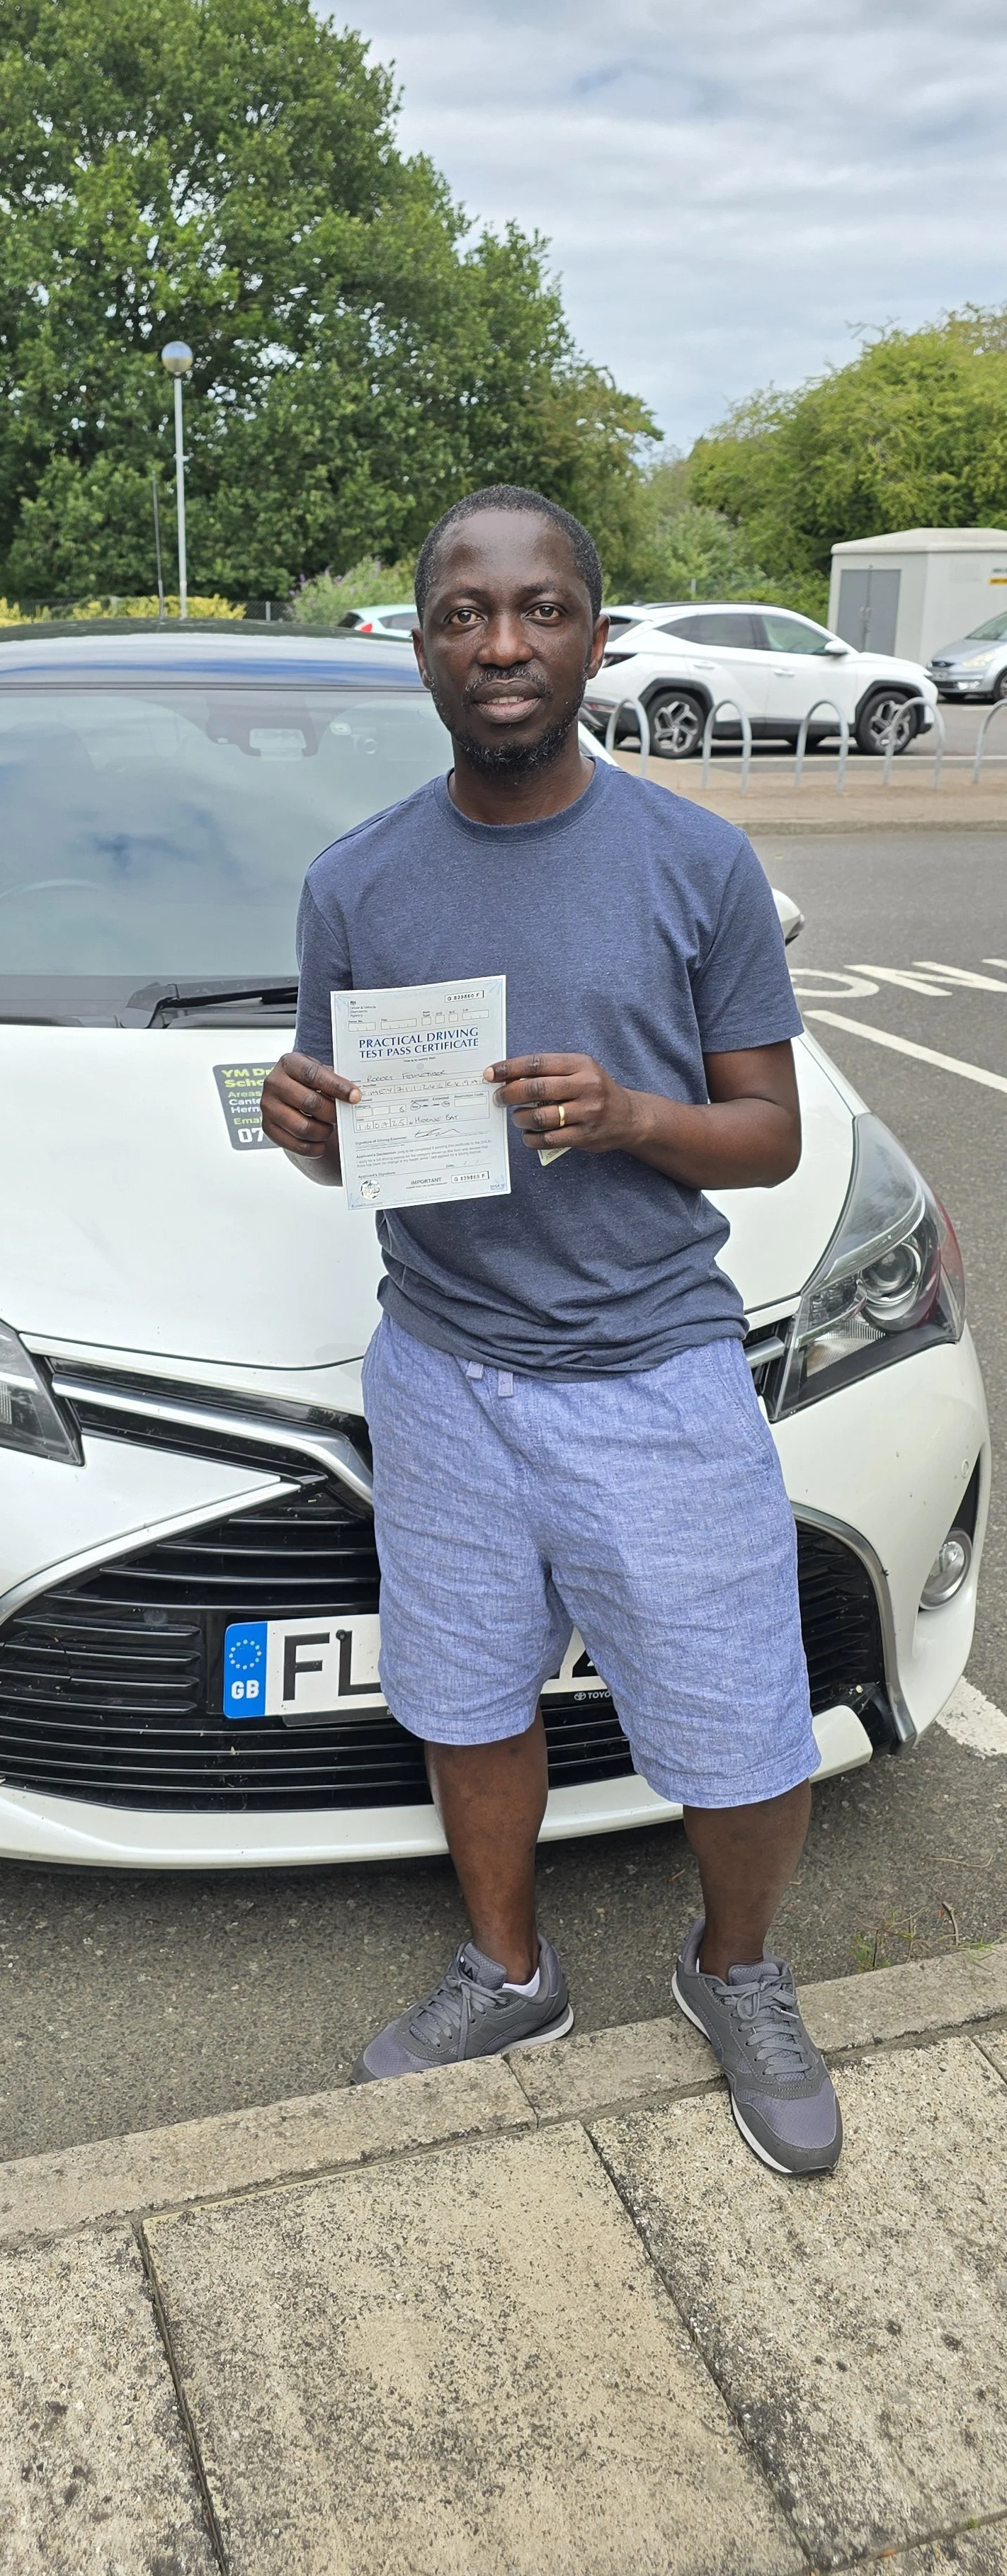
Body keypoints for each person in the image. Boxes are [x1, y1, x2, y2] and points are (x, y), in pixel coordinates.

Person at [260, 484, 842, 2177]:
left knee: (742, 1720)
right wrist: (314, 1128)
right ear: (423, 645)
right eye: (463, 613)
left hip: (653, 1369)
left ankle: (735, 1966)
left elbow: (769, 1133)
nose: (500, 642)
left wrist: (633, 1115)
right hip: (440, 1366)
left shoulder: (695, 860)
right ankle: (510, 1970)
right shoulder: (356, 883)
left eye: (538, 608)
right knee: (462, 1697)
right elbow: (369, 1134)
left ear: (593, 630)